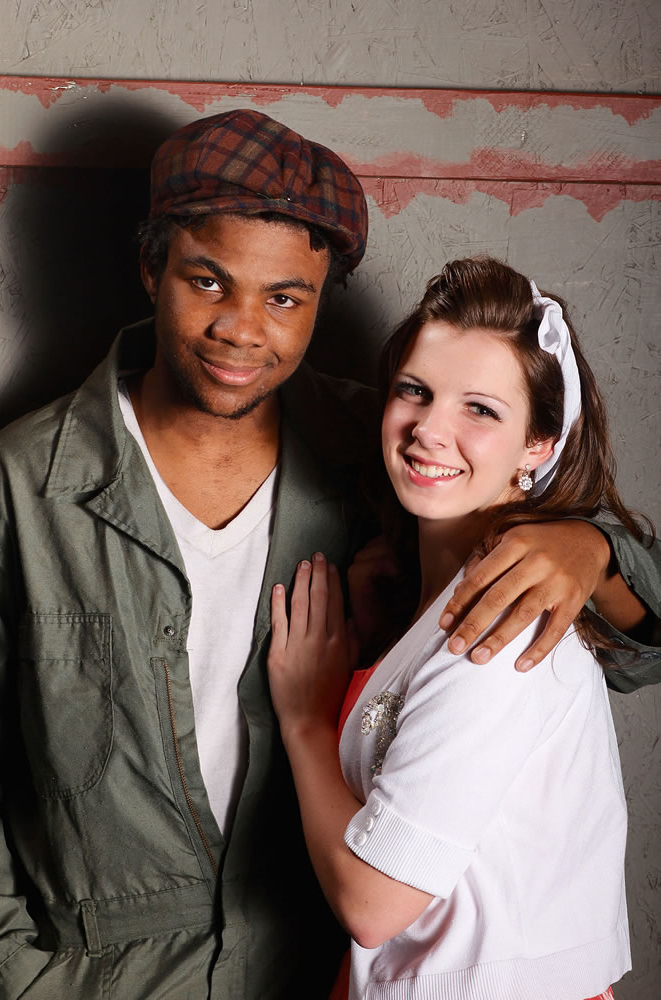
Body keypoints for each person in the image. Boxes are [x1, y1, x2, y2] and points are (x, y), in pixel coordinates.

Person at [0, 112, 658, 1000]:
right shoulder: (23, 480)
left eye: (284, 298)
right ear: (151, 268)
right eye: (207, 281)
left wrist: (586, 545)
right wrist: (19, 970)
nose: (241, 329)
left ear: (319, 302)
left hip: (316, 960)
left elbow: (635, 643)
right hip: (103, 975)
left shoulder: (375, 453)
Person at [266, 257, 659, 1000]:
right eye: (415, 391)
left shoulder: (498, 629)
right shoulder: (431, 597)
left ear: (540, 445)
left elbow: (374, 905)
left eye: (479, 409)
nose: (427, 431)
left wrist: (303, 719)